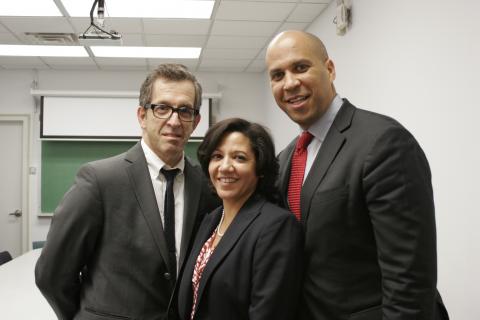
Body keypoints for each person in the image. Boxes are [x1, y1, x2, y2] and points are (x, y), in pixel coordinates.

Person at [265, 30, 449, 320]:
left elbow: (409, 278)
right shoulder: (286, 159)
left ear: (329, 69)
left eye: (301, 67)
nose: (290, 83)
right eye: (277, 75)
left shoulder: (384, 142)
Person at [35, 64, 219, 320]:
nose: (174, 120)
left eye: (185, 110)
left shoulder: (207, 187)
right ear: (142, 115)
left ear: (196, 121)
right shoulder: (99, 180)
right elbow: (52, 274)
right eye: (162, 108)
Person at [177, 118, 303, 320]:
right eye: (217, 156)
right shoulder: (210, 221)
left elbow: (269, 313)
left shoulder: (276, 226)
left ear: (260, 168)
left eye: (239, 158)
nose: (225, 167)